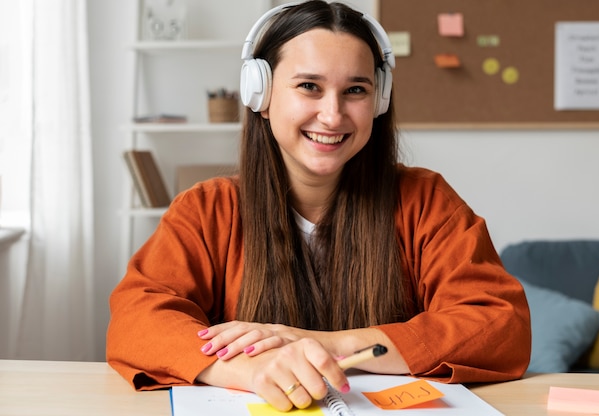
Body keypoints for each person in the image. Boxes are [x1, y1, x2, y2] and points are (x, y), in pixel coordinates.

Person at [107, 1, 531, 412]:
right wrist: (252, 367)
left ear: (379, 101)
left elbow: (500, 323)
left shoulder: (426, 201)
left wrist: (327, 344)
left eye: (355, 90)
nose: (332, 115)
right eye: (309, 86)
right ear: (262, 94)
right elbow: (136, 319)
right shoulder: (206, 209)